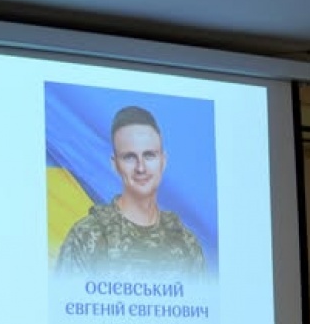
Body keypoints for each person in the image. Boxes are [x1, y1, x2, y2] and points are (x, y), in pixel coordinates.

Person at [56, 106, 206, 277]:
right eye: (129, 157)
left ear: (163, 161)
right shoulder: (86, 236)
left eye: (149, 155)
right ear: (115, 165)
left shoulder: (186, 244)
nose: (141, 167)